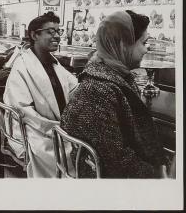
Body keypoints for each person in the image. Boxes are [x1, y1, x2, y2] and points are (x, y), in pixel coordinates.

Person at [61, 10, 168, 178]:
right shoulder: (97, 91)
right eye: (143, 42)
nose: (145, 50)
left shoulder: (116, 76)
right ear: (123, 45)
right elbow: (117, 162)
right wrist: (158, 177)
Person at [3, 12, 78, 178]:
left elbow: (74, 89)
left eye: (59, 32)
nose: (57, 36)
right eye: (50, 32)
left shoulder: (53, 62)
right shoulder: (22, 66)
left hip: (56, 127)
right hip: (35, 130)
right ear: (34, 35)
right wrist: (58, 128)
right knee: (69, 155)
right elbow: (22, 110)